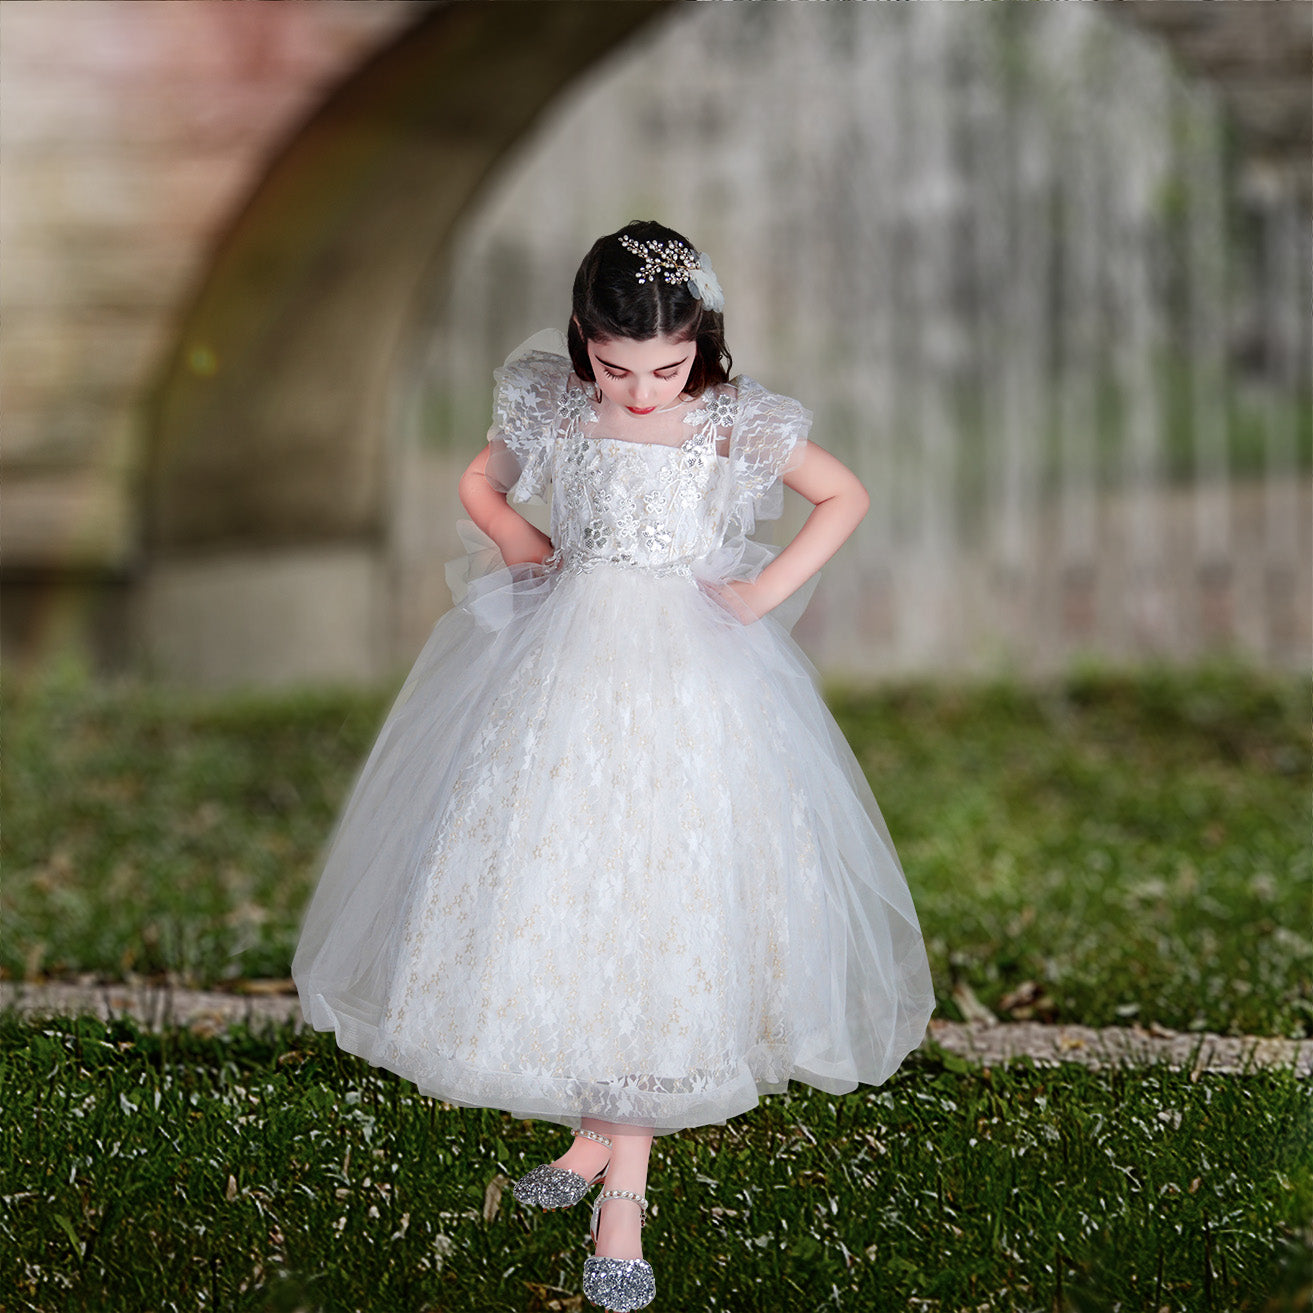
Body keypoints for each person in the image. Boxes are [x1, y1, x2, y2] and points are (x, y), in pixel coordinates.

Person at [292, 219, 934, 1312]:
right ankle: (596, 1133)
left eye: (667, 369)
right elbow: (478, 482)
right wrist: (517, 541)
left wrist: (759, 595)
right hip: (561, 675)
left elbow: (844, 496)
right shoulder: (551, 402)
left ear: (703, 346)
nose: (640, 393)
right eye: (617, 366)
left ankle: (621, 1191)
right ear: (583, 339)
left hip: (685, 683)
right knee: (573, 883)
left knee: (658, 894)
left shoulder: (726, 423)